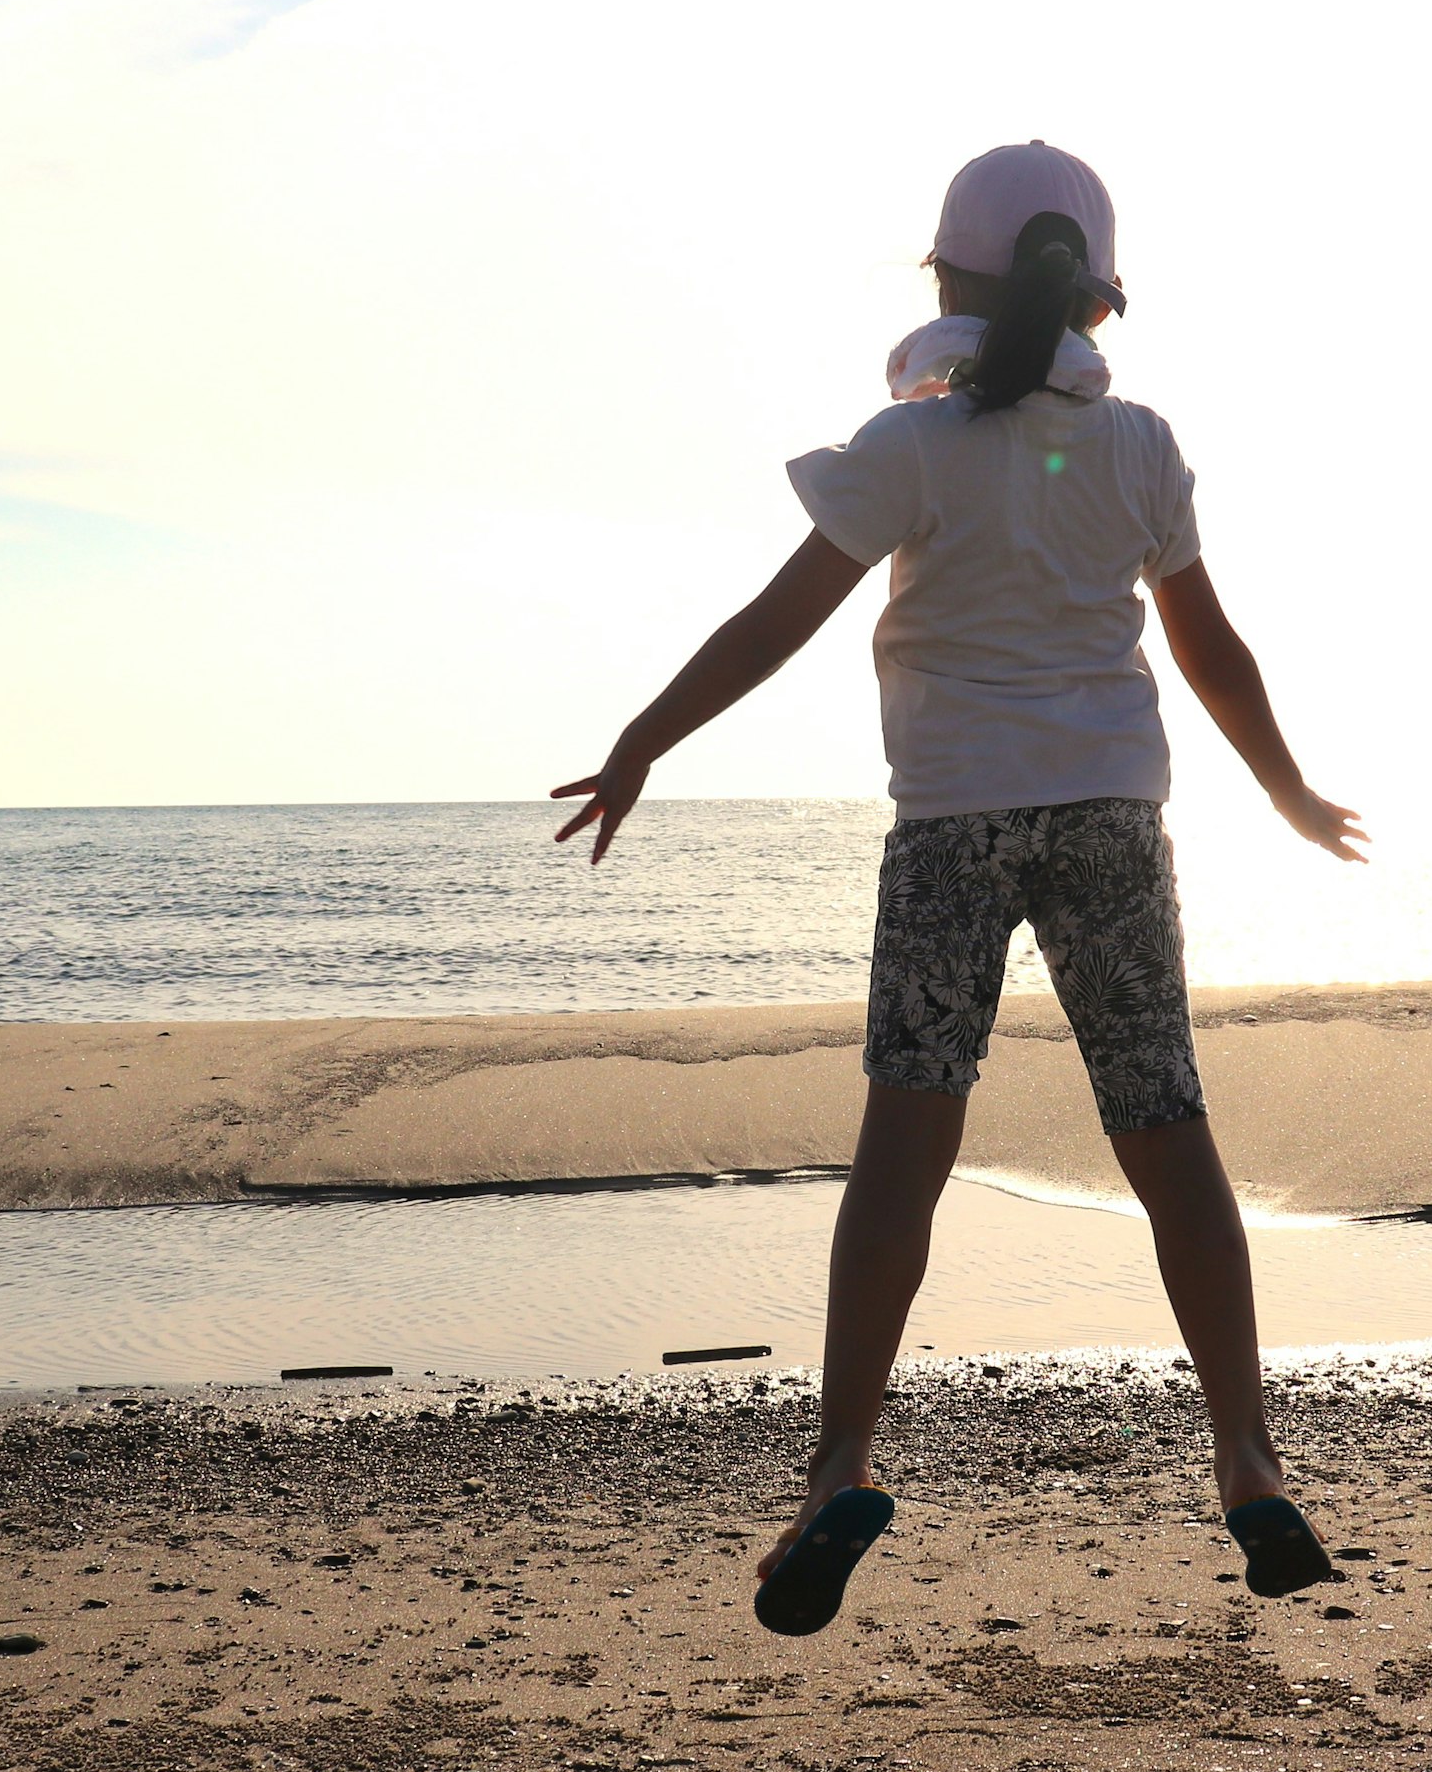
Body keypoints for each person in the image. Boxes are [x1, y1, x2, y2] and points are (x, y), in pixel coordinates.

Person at [552, 141, 1365, 1635]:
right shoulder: (1140, 450)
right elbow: (1210, 650)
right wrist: (1286, 790)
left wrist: (642, 742)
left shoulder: (909, 447)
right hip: (1114, 821)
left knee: (904, 1158)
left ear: (947, 280)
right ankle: (1248, 1461)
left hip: (951, 835)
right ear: (1102, 303)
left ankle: (840, 1466)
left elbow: (775, 622)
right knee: (1168, 1139)